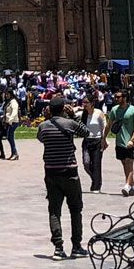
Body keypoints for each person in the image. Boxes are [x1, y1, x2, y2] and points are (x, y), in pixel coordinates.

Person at [37, 99, 86, 259]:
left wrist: (47, 118)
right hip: (70, 172)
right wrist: (73, 116)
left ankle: (58, 247)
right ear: (64, 109)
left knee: (54, 211)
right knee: (75, 209)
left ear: (50, 110)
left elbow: (41, 138)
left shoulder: (43, 127)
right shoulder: (70, 124)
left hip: (51, 173)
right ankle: (77, 246)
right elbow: (85, 132)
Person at [107, 87, 134, 196]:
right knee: (124, 164)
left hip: (131, 143)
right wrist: (104, 138)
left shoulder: (133, 110)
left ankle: (127, 186)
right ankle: (133, 186)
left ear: (125, 98)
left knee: (129, 163)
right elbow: (109, 125)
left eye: (118, 97)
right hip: (119, 142)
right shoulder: (114, 110)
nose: (116, 98)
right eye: (115, 97)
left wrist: (132, 139)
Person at [82, 93, 108, 194]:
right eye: (83, 102)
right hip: (87, 141)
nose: (84, 104)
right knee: (86, 163)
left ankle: (96, 185)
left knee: (96, 164)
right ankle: (95, 179)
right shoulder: (83, 114)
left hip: (97, 140)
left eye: (86, 102)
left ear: (92, 103)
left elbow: (104, 127)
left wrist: (104, 140)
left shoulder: (98, 113)